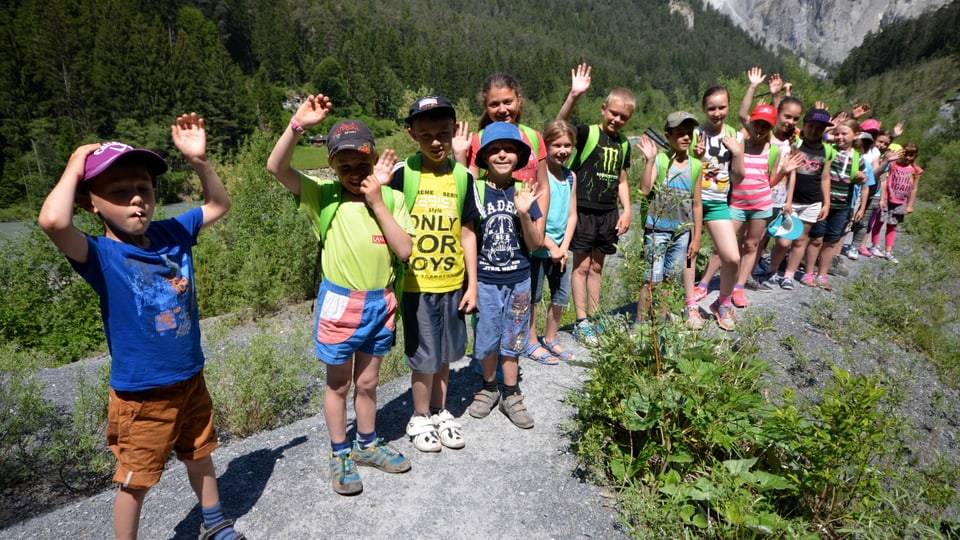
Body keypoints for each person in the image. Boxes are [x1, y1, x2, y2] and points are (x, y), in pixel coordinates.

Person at [38, 114, 245, 540]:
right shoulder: (98, 255)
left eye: (145, 190)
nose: (137, 200)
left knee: (201, 454)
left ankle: (215, 523)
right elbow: (53, 223)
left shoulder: (173, 233)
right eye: (118, 192)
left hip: (191, 378)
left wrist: (201, 161)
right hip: (141, 394)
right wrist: (78, 160)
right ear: (90, 203)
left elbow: (219, 205)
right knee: (136, 481)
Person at [266, 95, 415, 495]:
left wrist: (378, 201)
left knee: (368, 384)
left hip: (380, 303)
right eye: (344, 165)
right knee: (338, 385)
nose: (353, 172)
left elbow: (405, 250)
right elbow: (275, 167)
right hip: (340, 304)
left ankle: (367, 444)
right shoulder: (322, 197)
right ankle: (339, 452)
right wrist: (297, 126)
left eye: (361, 165)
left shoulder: (393, 199)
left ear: (372, 164)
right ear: (331, 165)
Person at [390, 95, 480, 452]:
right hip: (416, 285)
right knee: (423, 356)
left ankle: (441, 411)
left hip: (453, 283)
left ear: (453, 131)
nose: (436, 142)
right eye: (426, 135)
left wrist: (471, 283)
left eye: (443, 133)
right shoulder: (403, 174)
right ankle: (419, 415)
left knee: (445, 354)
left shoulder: (462, 177)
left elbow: (468, 232)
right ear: (413, 135)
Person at [467, 122, 543, 429]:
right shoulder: (475, 191)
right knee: (487, 338)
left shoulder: (524, 192)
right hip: (486, 281)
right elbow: (468, 235)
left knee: (514, 337)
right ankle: (488, 387)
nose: (502, 154)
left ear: (519, 157)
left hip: (519, 280)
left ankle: (511, 392)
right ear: (484, 156)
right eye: (495, 150)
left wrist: (524, 212)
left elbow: (536, 243)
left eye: (509, 150)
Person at [556, 63, 634, 344]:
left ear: (629, 118)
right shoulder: (588, 134)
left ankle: (596, 316)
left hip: (608, 213)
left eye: (623, 117)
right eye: (613, 113)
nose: (616, 119)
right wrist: (574, 96)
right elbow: (559, 127)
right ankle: (581, 320)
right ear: (603, 108)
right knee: (582, 266)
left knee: (598, 267)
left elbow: (622, 179)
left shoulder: (624, 144)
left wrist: (626, 211)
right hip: (582, 210)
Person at [635, 112, 709, 329]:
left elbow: (697, 203)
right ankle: (640, 326)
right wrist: (649, 161)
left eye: (689, 133)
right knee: (651, 280)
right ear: (668, 136)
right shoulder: (659, 160)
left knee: (669, 279)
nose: (686, 138)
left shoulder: (695, 165)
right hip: (657, 230)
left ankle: (660, 323)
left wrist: (696, 239)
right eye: (680, 134)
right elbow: (645, 189)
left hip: (681, 233)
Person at [524, 119, 578, 364]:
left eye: (567, 145)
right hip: (538, 248)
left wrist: (564, 246)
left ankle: (551, 338)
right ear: (546, 146)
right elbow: (533, 218)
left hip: (561, 249)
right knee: (533, 298)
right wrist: (551, 246)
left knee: (560, 295)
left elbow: (572, 215)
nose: (562, 150)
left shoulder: (570, 177)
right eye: (556, 145)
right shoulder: (539, 175)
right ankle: (532, 340)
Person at [689, 84, 744, 312]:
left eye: (721, 107)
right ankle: (689, 303)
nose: (717, 113)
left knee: (732, 258)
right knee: (688, 256)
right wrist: (696, 157)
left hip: (717, 203)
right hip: (691, 203)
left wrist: (738, 152)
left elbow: (739, 178)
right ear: (704, 108)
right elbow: (684, 170)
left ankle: (722, 301)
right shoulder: (694, 134)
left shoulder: (735, 135)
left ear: (729, 106)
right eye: (712, 108)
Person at [767, 108, 833, 290]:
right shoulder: (795, 144)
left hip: (812, 201)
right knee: (783, 240)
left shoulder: (826, 150)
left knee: (801, 239)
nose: (815, 131)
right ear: (804, 125)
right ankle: (772, 270)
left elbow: (825, 177)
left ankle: (788, 274)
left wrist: (826, 203)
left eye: (820, 128)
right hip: (791, 200)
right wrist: (787, 201)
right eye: (812, 126)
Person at [869, 142, 922, 263]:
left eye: (911, 155)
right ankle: (874, 245)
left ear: (915, 156)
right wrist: (882, 198)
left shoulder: (916, 170)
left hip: (901, 201)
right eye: (906, 154)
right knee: (879, 222)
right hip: (888, 198)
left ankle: (888, 251)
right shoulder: (894, 164)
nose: (908, 157)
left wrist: (910, 205)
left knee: (892, 226)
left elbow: (914, 188)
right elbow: (885, 178)